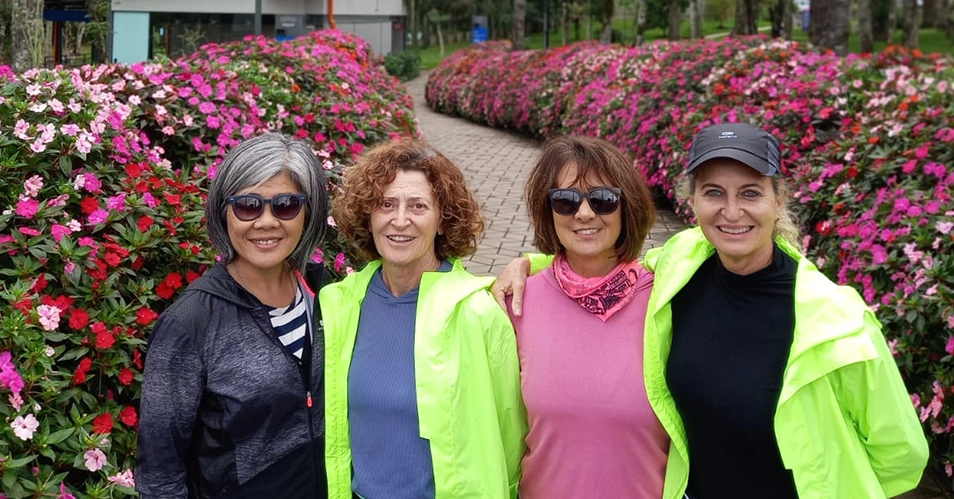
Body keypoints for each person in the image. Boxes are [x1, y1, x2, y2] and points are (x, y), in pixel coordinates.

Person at [494, 123, 929, 499]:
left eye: (751, 193)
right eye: (714, 193)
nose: (732, 211)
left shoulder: (835, 317)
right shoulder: (679, 273)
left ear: (779, 201)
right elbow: (593, 270)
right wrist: (528, 265)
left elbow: (900, 454)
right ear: (693, 203)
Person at [321, 139, 526, 499]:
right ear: (368, 216)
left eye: (418, 206)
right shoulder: (340, 305)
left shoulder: (477, 313)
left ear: (443, 221)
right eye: (386, 204)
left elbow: (511, 436)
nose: (400, 220)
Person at [136, 133, 330, 499]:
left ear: (309, 212)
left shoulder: (323, 293)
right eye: (248, 206)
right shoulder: (191, 323)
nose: (266, 221)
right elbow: (160, 470)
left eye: (286, 205)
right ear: (224, 213)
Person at [510, 135, 668, 498]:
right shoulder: (516, 302)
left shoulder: (666, 299)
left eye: (603, 199)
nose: (584, 213)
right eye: (565, 201)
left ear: (627, 206)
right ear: (547, 210)